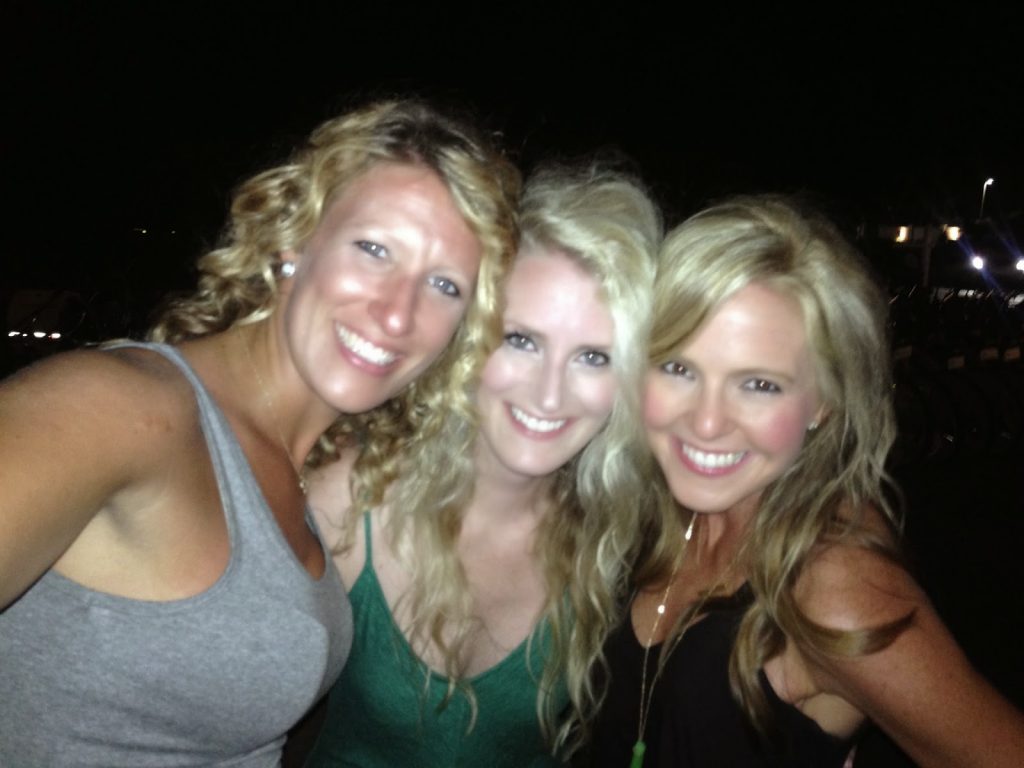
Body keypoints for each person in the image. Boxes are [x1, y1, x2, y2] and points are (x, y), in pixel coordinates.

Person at [0, 99, 520, 767]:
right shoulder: (119, 408)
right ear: (294, 242)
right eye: (373, 249)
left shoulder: (316, 473)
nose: (398, 315)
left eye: (445, 285)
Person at [587, 195, 1024, 767]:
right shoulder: (655, 512)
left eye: (759, 385)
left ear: (822, 402)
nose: (707, 423)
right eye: (679, 368)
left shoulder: (833, 583)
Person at [302, 163, 662, 766]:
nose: (549, 393)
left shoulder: (617, 544)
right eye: (521, 340)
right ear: (470, 335)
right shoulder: (345, 500)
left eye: (594, 357)